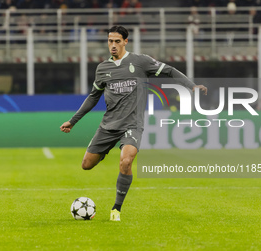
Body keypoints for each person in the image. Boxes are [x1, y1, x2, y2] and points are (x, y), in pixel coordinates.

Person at [60, 25, 207, 221]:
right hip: (108, 126)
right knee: (86, 165)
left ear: (125, 41)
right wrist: (72, 121)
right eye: (110, 41)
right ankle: (105, 151)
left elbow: (170, 71)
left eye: (117, 41)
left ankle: (116, 209)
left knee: (126, 160)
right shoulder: (102, 68)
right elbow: (93, 97)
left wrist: (191, 86)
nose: (113, 45)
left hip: (132, 124)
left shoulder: (140, 62)